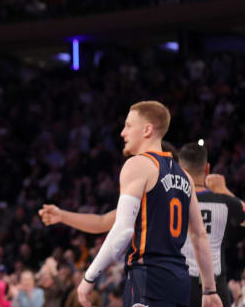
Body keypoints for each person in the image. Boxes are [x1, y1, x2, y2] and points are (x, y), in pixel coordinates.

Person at [39, 142, 245, 307]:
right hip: (205, 283)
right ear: (207, 168)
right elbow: (201, 235)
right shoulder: (221, 202)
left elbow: (103, 222)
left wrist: (63, 216)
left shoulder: (157, 196)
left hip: (162, 279)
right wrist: (225, 192)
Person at [67, 102, 220, 307]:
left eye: (129, 125)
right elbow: (199, 235)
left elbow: (123, 230)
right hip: (179, 282)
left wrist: (89, 277)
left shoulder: (137, 165)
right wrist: (209, 290)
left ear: (147, 129)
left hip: (147, 279)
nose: (123, 133)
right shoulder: (185, 176)